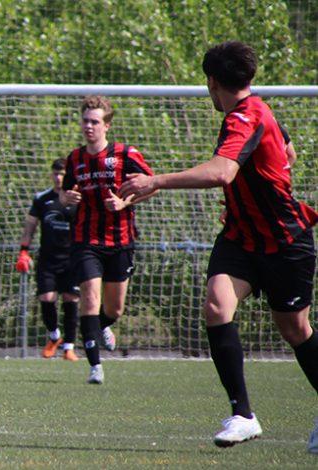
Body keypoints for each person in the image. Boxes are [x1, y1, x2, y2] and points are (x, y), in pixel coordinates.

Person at [119, 41, 318, 451]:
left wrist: (155, 181)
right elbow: (289, 152)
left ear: (212, 82)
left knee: (296, 329)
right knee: (216, 305)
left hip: (285, 240)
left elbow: (222, 172)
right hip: (241, 237)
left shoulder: (244, 117)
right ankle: (243, 415)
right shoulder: (258, 110)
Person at [59, 95, 156, 384]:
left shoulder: (125, 154)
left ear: (107, 125)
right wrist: (67, 198)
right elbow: (64, 195)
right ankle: (95, 367)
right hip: (86, 240)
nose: (88, 126)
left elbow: (153, 186)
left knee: (114, 309)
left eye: (94, 121)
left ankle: (100, 326)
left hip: (121, 240)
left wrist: (125, 202)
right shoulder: (74, 158)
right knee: (90, 298)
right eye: (85, 121)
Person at [16, 158, 80, 361]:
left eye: (62, 174)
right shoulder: (42, 199)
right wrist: (24, 251)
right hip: (48, 259)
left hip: (72, 259)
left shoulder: (78, 199)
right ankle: (54, 336)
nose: (58, 177)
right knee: (46, 299)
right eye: (56, 173)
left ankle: (69, 347)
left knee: (71, 299)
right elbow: (30, 226)